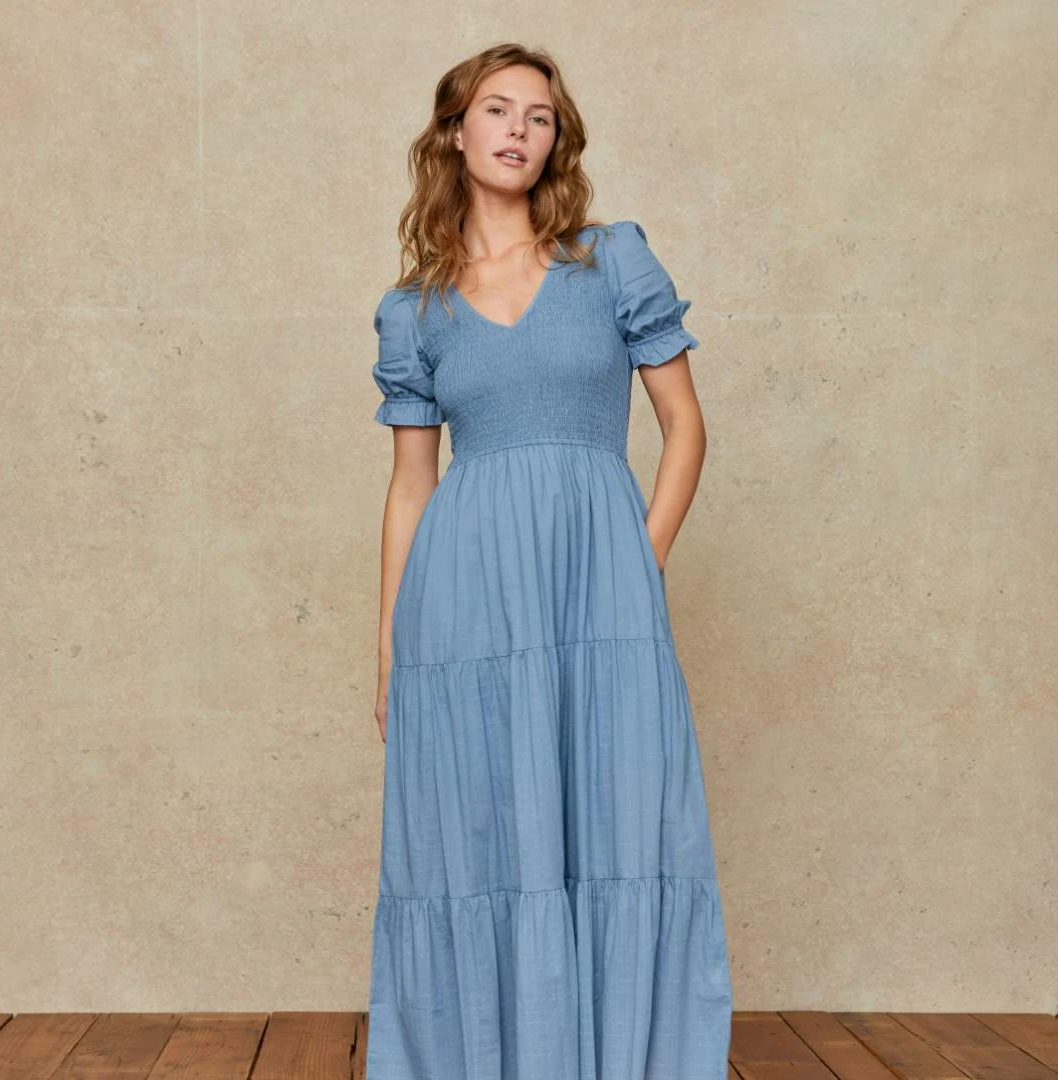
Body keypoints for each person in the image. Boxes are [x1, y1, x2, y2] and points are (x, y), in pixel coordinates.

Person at [367, 42, 732, 1080]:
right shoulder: (414, 310)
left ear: (555, 141)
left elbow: (685, 427)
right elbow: (410, 488)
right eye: (497, 109)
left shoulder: (611, 260)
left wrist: (637, 560)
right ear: (454, 132)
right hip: (463, 599)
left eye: (539, 115)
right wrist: (388, 645)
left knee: (621, 822)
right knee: (482, 831)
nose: (519, 129)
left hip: (598, 583)